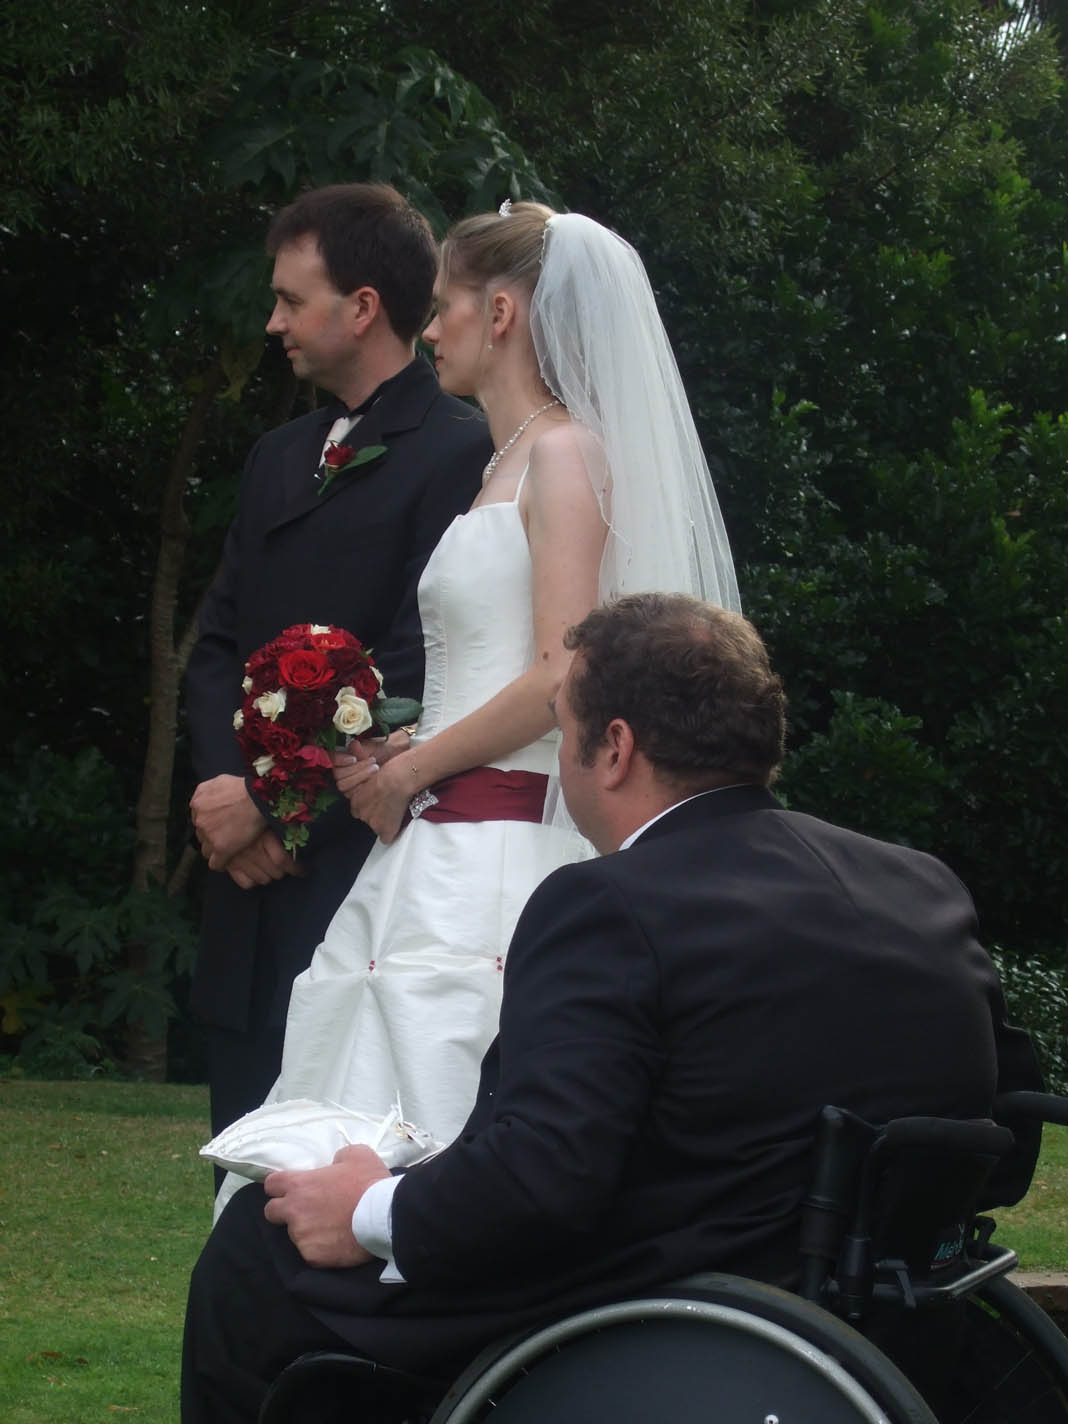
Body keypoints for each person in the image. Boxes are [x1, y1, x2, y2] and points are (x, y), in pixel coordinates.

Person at [182, 593, 1043, 1424]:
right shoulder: (918, 885)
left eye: (564, 731)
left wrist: (370, 1207)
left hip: (661, 1311)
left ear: (617, 748)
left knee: (255, 1253)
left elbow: (540, 1184)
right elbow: (1005, 1141)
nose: (563, 760)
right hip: (892, 1314)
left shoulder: (608, 903)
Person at [203, 202, 740, 1207]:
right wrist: (396, 744)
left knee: (452, 1086)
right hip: (438, 824)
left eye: (447, 304)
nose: (434, 326)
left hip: (502, 840)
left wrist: (408, 767)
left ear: (499, 314)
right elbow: (485, 668)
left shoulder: (565, 454)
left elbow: (563, 672)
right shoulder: (505, 460)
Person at [185, 184, 489, 1143]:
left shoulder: (460, 451)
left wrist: (278, 805)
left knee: (332, 1150)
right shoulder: (277, 456)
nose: (272, 322)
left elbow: (417, 658)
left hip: (353, 855)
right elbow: (220, 643)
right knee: (239, 1149)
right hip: (242, 869)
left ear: (361, 307)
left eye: (290, 299)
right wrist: (227, 796)